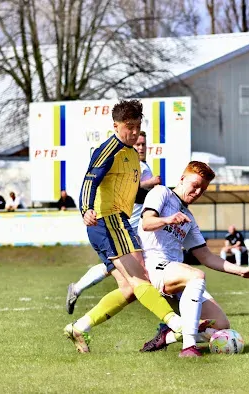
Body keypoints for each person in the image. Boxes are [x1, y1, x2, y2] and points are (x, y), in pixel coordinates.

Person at [63, 99, 185, 353]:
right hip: (107, 221)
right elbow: (89, 182)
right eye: (129, 126)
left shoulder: (131, 155)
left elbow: (133, 196)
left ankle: (78, 327)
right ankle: (177, 324)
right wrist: (86, 209)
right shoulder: (109, 150)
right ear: (116, 125)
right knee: (141, 275)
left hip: (120, 222)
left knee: (129, 289)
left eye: (138, 126)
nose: (134, 132)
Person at [138, 161, 249, 357]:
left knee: (221, 325)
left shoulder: (188, 218)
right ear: (182, 179)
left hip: (176, 271)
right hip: (154, 266)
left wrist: (240, 270)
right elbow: (146, 222)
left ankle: (168, 334)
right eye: (195, 186)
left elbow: (206, 256)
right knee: (197, 276)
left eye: (202, 189)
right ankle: (188, 347)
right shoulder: (161, 193)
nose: (197, 192)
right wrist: (168, 219)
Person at [65, 131, 161, 314]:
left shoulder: (139, 163)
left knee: (118, 270)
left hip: (129, 226)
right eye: (138, 143)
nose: (140, 147)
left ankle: (78, 295)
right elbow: (133, 192)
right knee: (135, 272)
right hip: (122, 225)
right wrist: (152, 186)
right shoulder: (127, 162)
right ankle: (170, 318)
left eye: (143, 144)